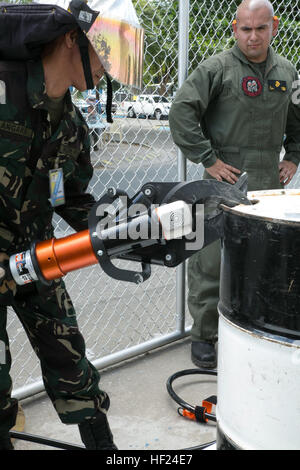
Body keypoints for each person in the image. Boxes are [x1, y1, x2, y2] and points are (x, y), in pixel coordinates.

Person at [0, 0, 143, 450]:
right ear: (71, 38)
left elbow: (74, 200)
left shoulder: (73, 127)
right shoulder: (4, 94)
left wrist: (123, 233)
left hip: (36, 262)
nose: (109, 70)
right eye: (108, 50)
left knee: (74, 365)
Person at [169, 0, 300, 369]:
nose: (254, 36)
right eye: (246, 29)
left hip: (268, 186)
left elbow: (297, 121)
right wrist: (208, 160)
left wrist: (293, 156)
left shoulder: (287, 72)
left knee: (266, 259)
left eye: (261, 28)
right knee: (210, 261)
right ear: (234, 28)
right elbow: (181, 111)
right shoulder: (217, 69)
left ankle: (253, 331)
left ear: (274, 26)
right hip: (222, 181)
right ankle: (204, 335)